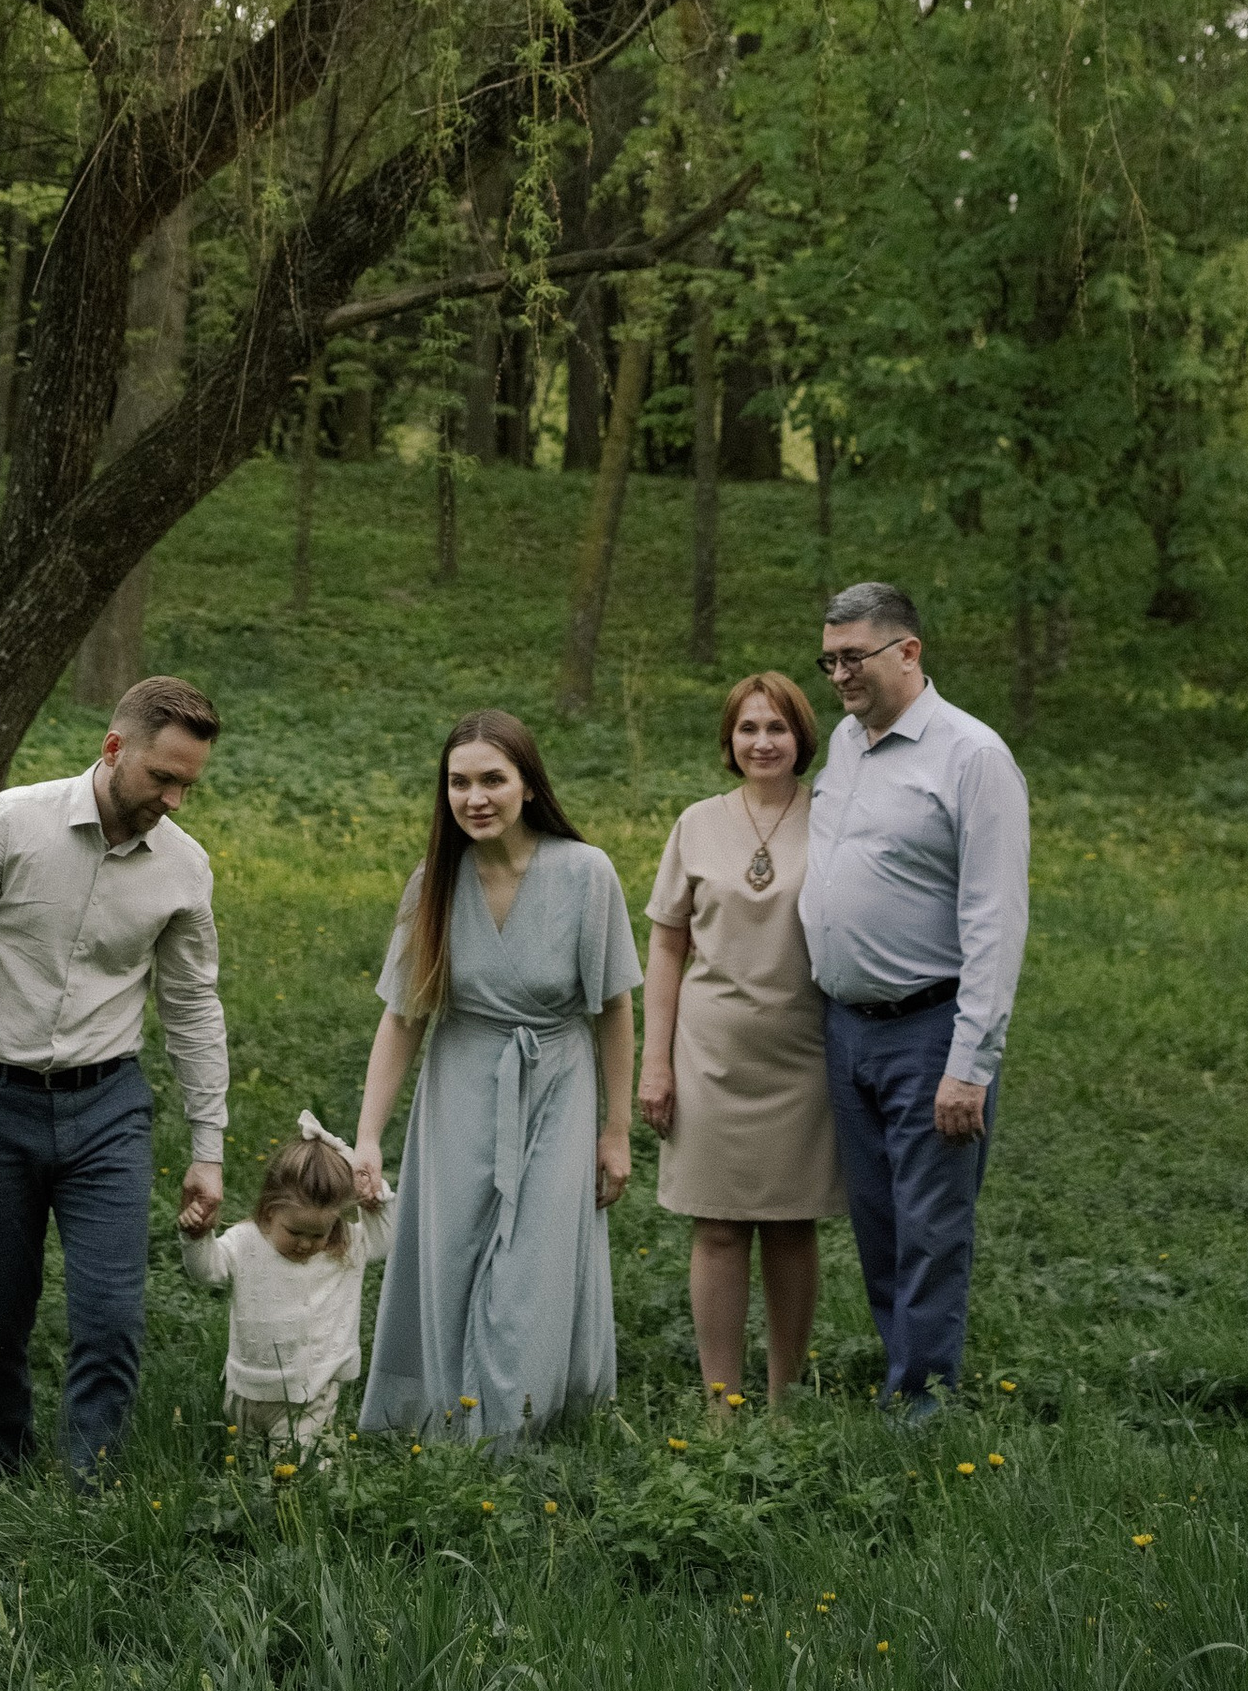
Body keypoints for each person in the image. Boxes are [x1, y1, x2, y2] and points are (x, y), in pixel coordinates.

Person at [0, 674, 228, 1478]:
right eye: (163, 777)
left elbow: (193, 1006)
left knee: (112, 1315)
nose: (176, 799)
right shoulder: (11, 825)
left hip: (108, 1107)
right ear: (115, 749)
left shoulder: (183, 870)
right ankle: (2, 1469)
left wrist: (208, 1144)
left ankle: (91, 1485)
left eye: (190, 784)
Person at [352, 710, 641, 1442]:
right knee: (450, 1257)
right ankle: (444, 1423)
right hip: (460, 1083)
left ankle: (516, 1431)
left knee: (529, 1271)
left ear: (528, 786)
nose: (474, 797)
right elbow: (402, 1019)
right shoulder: (434, 884)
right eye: (458, 782)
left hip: (555, 1085)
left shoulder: (585, 873)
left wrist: (617, 1130)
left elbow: (612, 1007)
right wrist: (367, 1138)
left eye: (492, 779)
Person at [797, 583, 1029, 1417]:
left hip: (931, 1029)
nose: (838, 675)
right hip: (848, 1028)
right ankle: (906, 1374)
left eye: (852, 656)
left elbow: (995, 921)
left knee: (932, 1229)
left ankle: (924, 1408)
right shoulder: (849, 749)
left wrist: (970, 1064)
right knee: (878, 1222)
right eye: (828, 660)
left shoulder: (972, 757)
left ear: (908, 651)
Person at [639, 668, 846, 1407]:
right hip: (709, 1056)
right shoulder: (696, 823)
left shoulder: (835, 817)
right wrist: (653, 1064)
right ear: (729, 740)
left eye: (778, 727)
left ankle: (786, 1398)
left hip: (804, 1056)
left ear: (803, 737)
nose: (763, 741)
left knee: (792, 1229)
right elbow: (667, 946)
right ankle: (722, 1402)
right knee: (718, 1229)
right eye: (749, 728)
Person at [179, 1110, 398, 1456]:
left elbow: (385, 1239)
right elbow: (207, 1273)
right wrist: (196, 1238)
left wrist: (375, 1201)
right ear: (269, 1212)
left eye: (318, 1233)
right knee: (246, 1470)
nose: (306, 1244)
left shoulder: (344, 1247)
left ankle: (310, 1499)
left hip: (313, 1389)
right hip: (248, 1389)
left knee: (300, 1469)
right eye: (295, 1232)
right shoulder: (246, 1242)